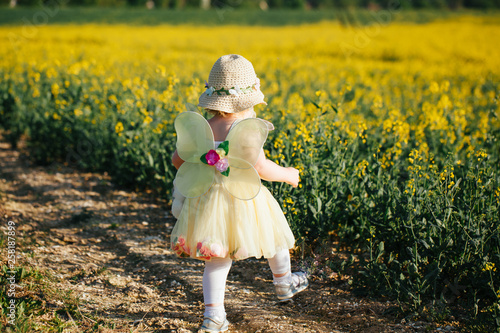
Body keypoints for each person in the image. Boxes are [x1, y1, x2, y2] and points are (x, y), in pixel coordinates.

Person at [170, 54, 308, 332]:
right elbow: (260, 166)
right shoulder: (246, 128)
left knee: (217, 260)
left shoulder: (205, 128)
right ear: (248, 98)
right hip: (247, 198)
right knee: (275, 240)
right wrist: (287, 174)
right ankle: (284, 283)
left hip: (209, 200)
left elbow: (177, 159)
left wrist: (207, 159)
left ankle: (214, 317)